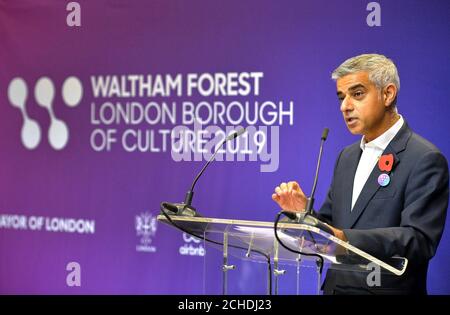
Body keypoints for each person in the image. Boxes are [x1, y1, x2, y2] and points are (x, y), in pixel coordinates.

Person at [272, 54, 449, 295]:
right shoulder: (346, 157)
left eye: (357, 94)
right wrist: (305, 215)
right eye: (341, 97)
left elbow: (418, 240)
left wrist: (345, 238)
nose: (345, 106)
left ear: (387, 94)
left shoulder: (424, 158)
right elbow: (332, 230)